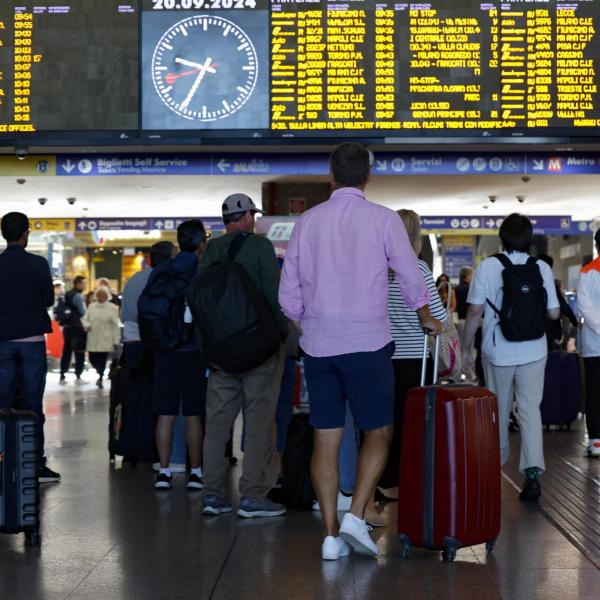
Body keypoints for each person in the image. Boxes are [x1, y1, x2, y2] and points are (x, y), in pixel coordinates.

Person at [279, 142, 441, 561]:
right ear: (368, 178)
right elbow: (410, 274)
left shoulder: (307, 223)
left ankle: (331, 537)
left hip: (319, 346)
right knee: (378, 432)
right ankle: (356, 515)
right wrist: (426, 315)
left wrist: (306, 321)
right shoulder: (384, 220)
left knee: (326, 438)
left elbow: (288, 293)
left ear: (330, 176)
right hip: (367, 343)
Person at [200, 193, 288, 519]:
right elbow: (273, 295)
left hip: (221, 351)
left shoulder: (211, 249)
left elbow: (202, 300)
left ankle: (212, 494)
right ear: (248, 216)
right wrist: (282, 335)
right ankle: (251, 496)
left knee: (218, 425)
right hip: (258, 350)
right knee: (259, 421)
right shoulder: (259, 246)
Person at [461, 213, 559, 502]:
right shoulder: (540, 267)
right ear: (529, 239)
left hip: (499, 351)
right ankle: (532, 476)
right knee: (530, 411)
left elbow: (474, 311)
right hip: (534, 350)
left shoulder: (488, 267)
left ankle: (494, 473)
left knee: (497, 413)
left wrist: (466, 348)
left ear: (502, 238)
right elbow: (553, 313)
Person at [378, 209, 447, 501]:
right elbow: (437, 317)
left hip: (382, 356)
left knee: (384, 422)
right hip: (415, 360)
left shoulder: (378, 268)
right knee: (414, 422)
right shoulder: (418, 269)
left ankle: (384, 479)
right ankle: (411, 478)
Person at [0, 211, 61, 482]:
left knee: (2, 404)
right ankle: (35, 464)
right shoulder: (37, 263)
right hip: (32, 343)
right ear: (26, 233)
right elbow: (48, 299)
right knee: (32, 404)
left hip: (1, 342)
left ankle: (2, 461)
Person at [150, 221, 207, 491]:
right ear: (200, 243)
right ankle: (195, 472)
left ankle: (164, 471)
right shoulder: (203, 270)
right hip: (193, 350)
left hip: (164, 350)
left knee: (166, 412)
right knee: (194, 413)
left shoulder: (162, 270)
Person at [577, 230, 600, 458]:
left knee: (594, 391)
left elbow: (584, 306)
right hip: (594, 342)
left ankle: (596, 440)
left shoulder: (587, 272)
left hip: (594, 344)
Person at [537, 254, 578, 351]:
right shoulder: (549, 283)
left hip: (534, 331)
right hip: (550, 330)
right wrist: (575, 322)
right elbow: (564, 306)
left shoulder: (532, 282)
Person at [84, 287, 121, 388]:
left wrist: (116, 339)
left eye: (103, 295)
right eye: (99, 295)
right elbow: (85, 319)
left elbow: (115, 324)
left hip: (106, 337)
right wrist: (86, 325)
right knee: (92, 358)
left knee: (102, 359)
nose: (101, 297)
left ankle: (100, 376)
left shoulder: (112, 307)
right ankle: (99, 372)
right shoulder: (91, 307)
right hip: (93, 336)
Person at [59, 275, 87, 384]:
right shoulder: (78, 296)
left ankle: (62, 374)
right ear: (78, 284)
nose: (84, 286)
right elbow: (82, 312)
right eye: (83, 283)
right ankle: (78, 375)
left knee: (66, 351)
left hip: (67, 327)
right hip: (77, 328)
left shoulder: (67, 294)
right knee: (79, 351)